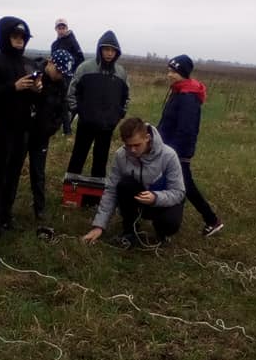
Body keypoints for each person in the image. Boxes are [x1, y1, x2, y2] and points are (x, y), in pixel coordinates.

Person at [0, 16, 40, 237]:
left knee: (14, 172)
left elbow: (38, 99)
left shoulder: (29, 63)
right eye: (15, 36)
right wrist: (12, 87)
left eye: (23, 37)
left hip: (23, 127)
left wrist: (36, 90)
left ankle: (6, 213)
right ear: (5, 37)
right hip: (1, 126)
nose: (20, 40)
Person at [82, 117, 185, 248]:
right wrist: (99, 226)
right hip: (140, 199)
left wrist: (155, 198)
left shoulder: (169, 155)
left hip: (162, 200)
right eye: (128, 145)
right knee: (124, 184)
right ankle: (129, 230)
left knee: (170, 223)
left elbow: (179, 192)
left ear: (147, 137)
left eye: (137, 145)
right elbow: (111, 190)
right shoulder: (121, 155)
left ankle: (162, 233)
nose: (132, 150)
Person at [158, 55, 223, 236]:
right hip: (169, 147)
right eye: (169, 70)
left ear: (183, 74)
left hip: (178, 151)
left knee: (185, 185)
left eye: (174, 72)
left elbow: (186, 129)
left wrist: (174, 152)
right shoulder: (179, 91)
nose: (170, 75)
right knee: (177, 183)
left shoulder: (187, 97)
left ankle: (212, 220)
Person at [67, 30, 129, 179]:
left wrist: (119, 114)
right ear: (99, 49)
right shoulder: (85, 68)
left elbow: (126, 97)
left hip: (107, 125)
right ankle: (71, 193)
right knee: (78, 156)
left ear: (117, 52)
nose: (109, 53)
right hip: (86, 123)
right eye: (106, 49)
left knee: (101, 160)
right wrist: (79, 110)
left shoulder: (121, 72)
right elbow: (72, 92)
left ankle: (95, 196)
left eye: (112, 50)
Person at [28, 49, 74, 220]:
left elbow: (63, 107)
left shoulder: (61, 83)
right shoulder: (32, 72)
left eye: (64, 73)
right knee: (12, 169)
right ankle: (4, 210)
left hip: (42, 134)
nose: (61, 75)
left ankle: (39, 209)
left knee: (38, 172)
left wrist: (59, 127)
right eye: (59, 71)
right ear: (50, 62)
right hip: (24, 131)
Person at [51, 18, 85, 135]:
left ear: (66, 28)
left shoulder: (72, 41)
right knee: (56, 101)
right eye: (59, 28)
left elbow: (80, 58)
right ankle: (56, 126)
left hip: (68, 77)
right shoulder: (54, 44)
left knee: (64, 102)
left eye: (63, 27)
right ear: (56, 29)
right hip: (55, 77)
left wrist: (70, 68)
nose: (61, 30)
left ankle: (67, 130)